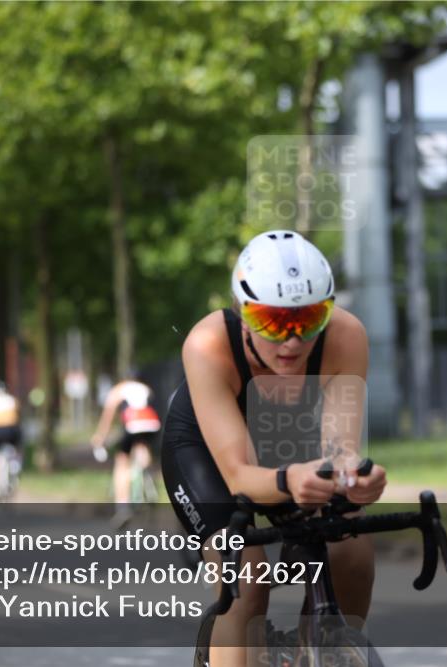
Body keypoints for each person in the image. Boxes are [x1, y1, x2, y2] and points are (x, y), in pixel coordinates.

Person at [160, 230, 386, 667]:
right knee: (247, 582)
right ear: (242, 313)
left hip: (290, 443)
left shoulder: (346, 336)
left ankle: (319, 652)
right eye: (273, 322)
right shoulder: (208, 344)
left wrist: (356, 478)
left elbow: (340, 448)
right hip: (208, 451)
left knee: (353, 553)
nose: (292, 341)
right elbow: (239, 475)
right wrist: (290, 480)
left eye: (310, 319)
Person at [90, 377, 162, 523]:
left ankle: (123, 507)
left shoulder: (117, 391)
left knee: (122, 461)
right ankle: (148, 477)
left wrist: (100, 437)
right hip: (152, 423)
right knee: (142, 446)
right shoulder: (145, 387)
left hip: (133, 423)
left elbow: (108, 416)